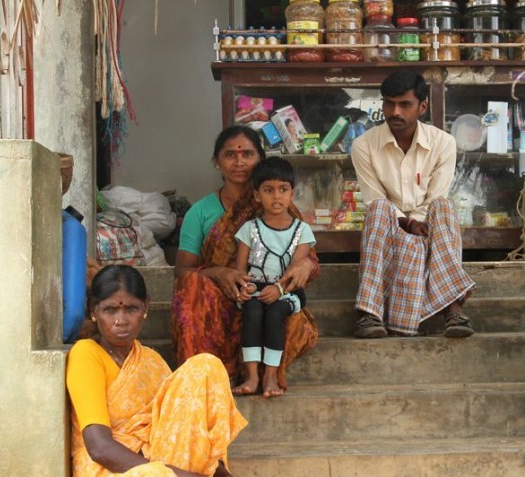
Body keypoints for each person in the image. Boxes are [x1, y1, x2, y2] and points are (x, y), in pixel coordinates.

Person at [66, 265, 248, 477]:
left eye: (131, 309)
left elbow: (183, 429)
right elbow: (100, 447)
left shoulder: (152, 361)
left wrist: (218, 474)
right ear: (93, 311)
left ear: (146, 308)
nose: (121, 320)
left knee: (205, 366)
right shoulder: (86, 354)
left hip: (163, 472)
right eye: (110, 310)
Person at [172, 125, 319, 386]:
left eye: (248, 154)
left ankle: (260, 375)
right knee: (191, 285)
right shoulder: (200, 212)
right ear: (216, 162)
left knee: (278, 314)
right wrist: (220, 273)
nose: (239, 162)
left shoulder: (281, 206)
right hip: (218, 299)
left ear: (260, 159)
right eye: (230, 155)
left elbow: (308, 258)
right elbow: (183, 271)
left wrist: (306, 265)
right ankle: (200, 376)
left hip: (270, 297)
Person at [350, 70, 475, 338]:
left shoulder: (444, 143)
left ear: (422, 107)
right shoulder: (363, 145)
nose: (395, 112)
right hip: (387, 229)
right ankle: (369, 314)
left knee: (444, 207)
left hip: (431, 228)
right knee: (378, 209)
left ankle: (452, 309)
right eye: (389, 103)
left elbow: (436, 196)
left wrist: (418, 221)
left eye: (404, 104)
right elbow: (375, 197)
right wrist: (406, 222)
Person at [232, 157, 316, 397]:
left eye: (283, 189)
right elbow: (240, 270)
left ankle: (270, 375)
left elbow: (296, 268)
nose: (276, 196)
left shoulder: (302, 230)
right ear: (257, 196)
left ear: (292, 194)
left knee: (277, 311)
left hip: (288, 290)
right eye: (268, 190)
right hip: (256, 288)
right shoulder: (250, 229)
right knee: (253, 310)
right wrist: (245, 288)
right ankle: (251, 376)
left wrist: (278, 290)